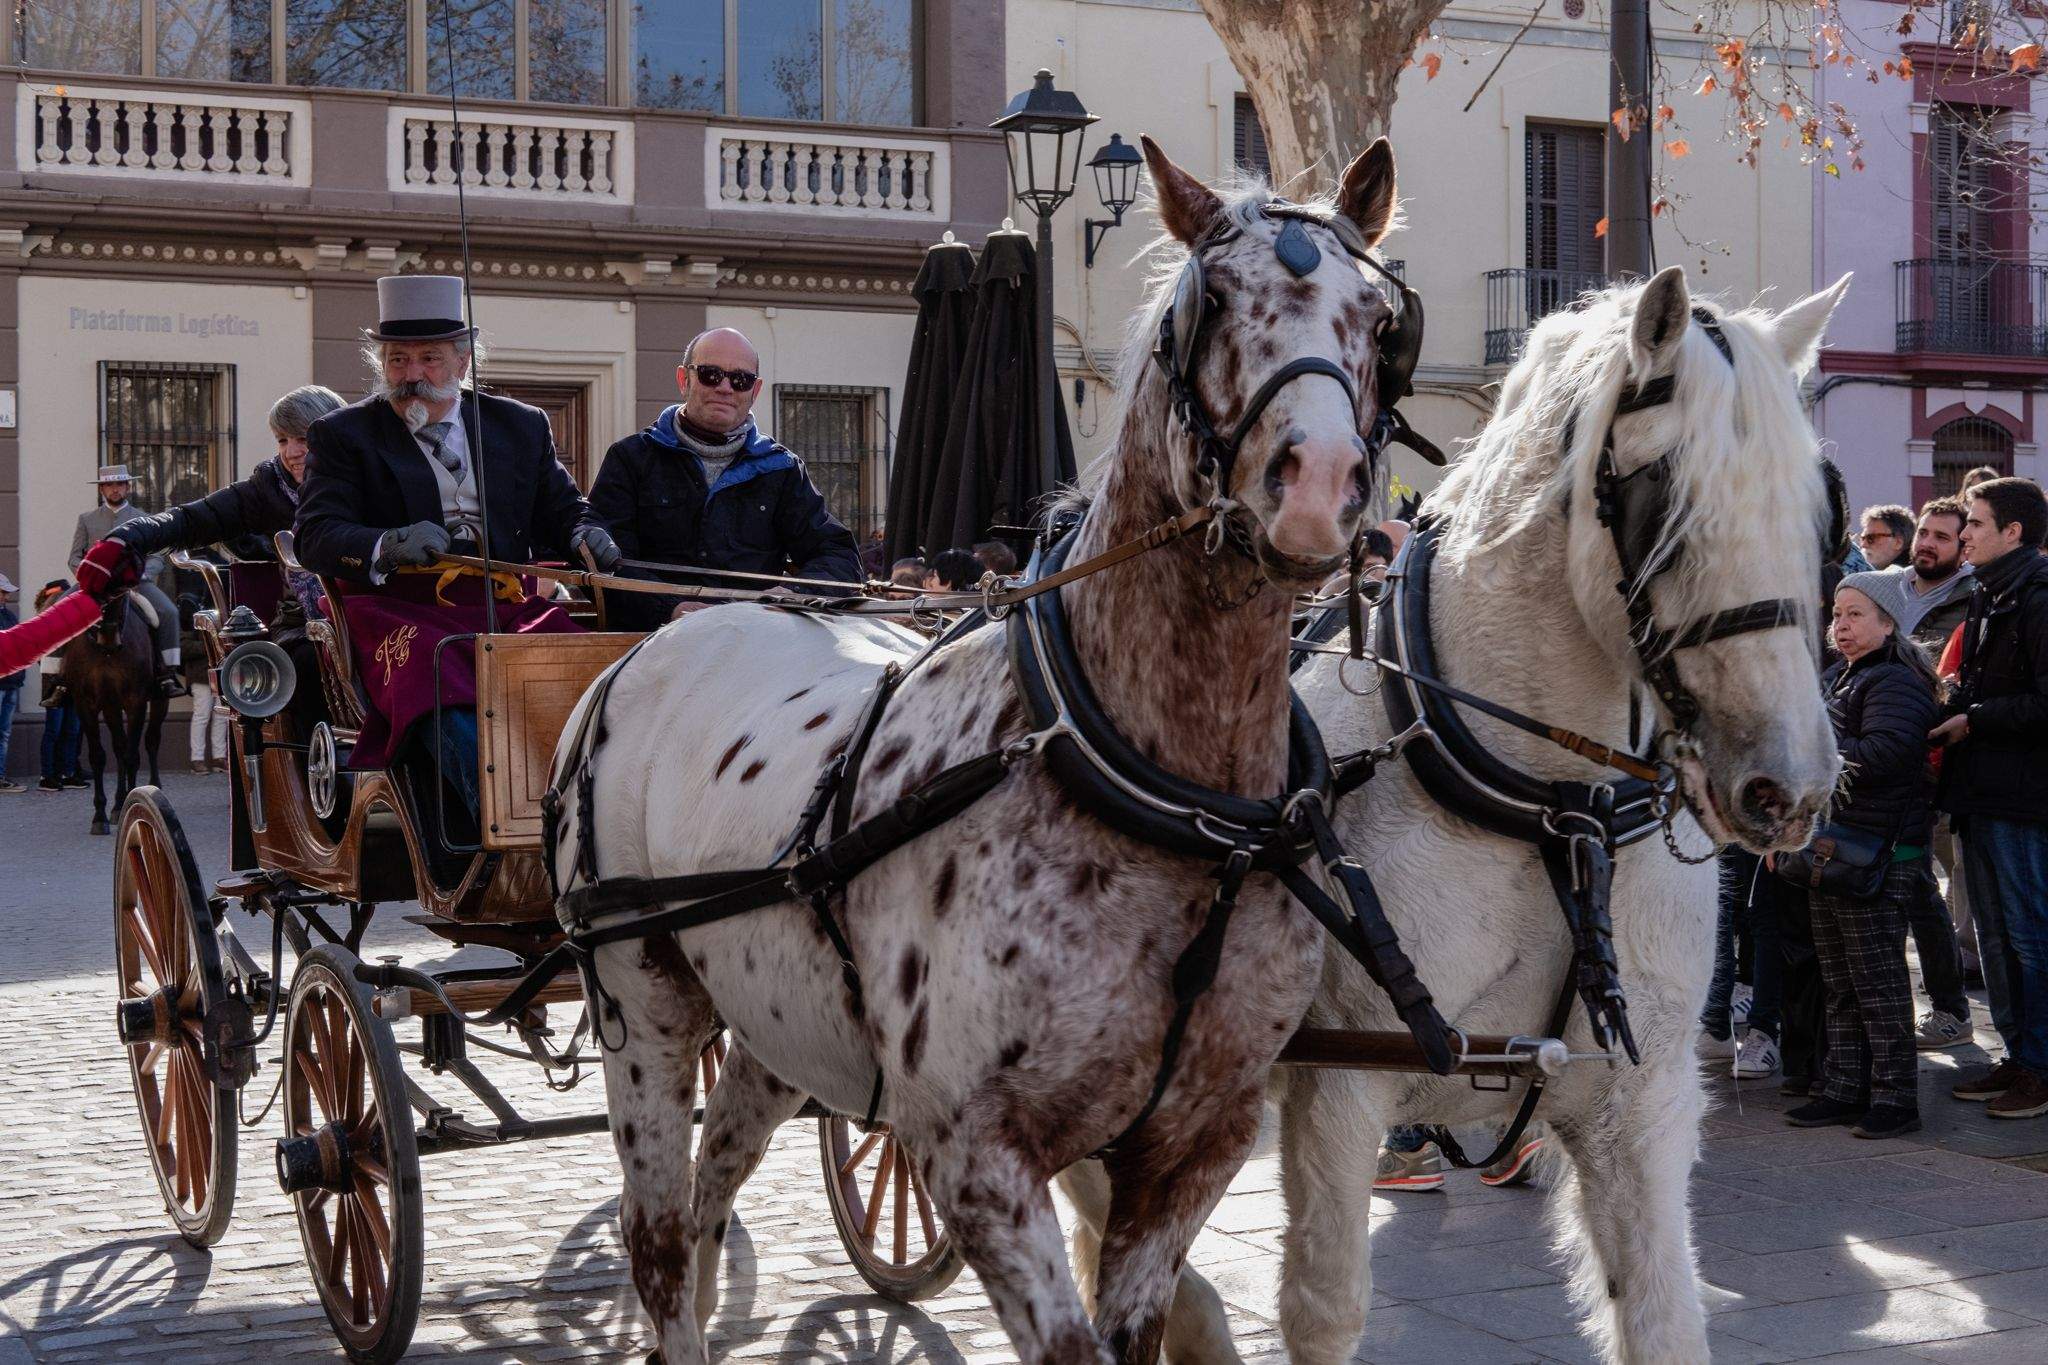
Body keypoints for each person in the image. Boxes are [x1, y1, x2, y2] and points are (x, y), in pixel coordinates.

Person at [295, 275, 615, 825]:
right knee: (438, 676)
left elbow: (564, 510)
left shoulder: (519, 425)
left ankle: (603, 818)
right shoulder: (344, 434)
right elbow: (314, 535)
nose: (412, 375)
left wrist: (587, 533)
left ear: (464, 361)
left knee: (588, 672)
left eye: (430, 358)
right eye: (397, 360)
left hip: (502, 603)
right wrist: (387, 544)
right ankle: (508, 829)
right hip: (396, 608)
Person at [1785, 572, 1940, 1139]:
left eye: (1855, 615)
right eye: (1837, 615)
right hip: (1834, 852)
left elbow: (1886, 753)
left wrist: (1810, 747)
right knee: (1841, 983)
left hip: (1879, 855)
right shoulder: (1840, 676)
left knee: (1878, 985)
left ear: (1888, 623)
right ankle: (1843, 1088)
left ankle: (1896, 1098)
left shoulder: (1895, 681)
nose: (1841, 627)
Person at [588, 327, 860, 630]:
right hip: (650, 646)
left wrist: (794, 594)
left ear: (754, 392)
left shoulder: (781, 468)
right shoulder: (631, 458)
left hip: (754, 643)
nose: (726, 388)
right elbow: (601, 562)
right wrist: (669, 608)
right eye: (710, 374)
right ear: (683, 379)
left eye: (740, 380)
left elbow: (839, 556)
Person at [1932, 476, 2048, 1120]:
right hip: (1982, 790)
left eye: (1975, 523)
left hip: (2024, 800)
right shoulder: (1988, 592)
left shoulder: (2037, 596)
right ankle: (2020, 1057)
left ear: (2014, 533)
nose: (1964, 533)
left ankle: (2041, 1066)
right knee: (1998, 940)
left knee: (2030, 937)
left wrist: (1975, 718)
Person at [1884, 496, 1976, 1048]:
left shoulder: (1973, 596)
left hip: (1940, 761)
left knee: (1932, 890)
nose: (1928, 544)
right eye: (1925, 533)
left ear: (1961, 545)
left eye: (1943, 536)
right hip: (1888, 758)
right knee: (1912, 889)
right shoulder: (1886, 587)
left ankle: (1951, 1008)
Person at [69, 464, 184, 696]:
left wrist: (141, 574)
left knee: (169, 611)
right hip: (94, 586)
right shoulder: (87, 519)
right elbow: (74, 557)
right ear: (102, 489)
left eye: (119, 484)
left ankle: (167, 673)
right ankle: (56, 678)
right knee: (57, 608)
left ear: (128, 487)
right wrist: (88, 577)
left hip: (135, 583)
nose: (115, 489)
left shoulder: (143, 519)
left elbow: (157, 557)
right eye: (109, 485)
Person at [32, 582, 88, 791]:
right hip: (54, 679)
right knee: (54, 729)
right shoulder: (46, 620)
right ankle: (47, 775)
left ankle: (67, 772)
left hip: (72, 678)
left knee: (72, 729)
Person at [1857, 504, 1915, 571]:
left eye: (1871, 538)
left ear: (1898, 543)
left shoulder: (1911, 577)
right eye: (1862, 538)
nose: (1863, 545)